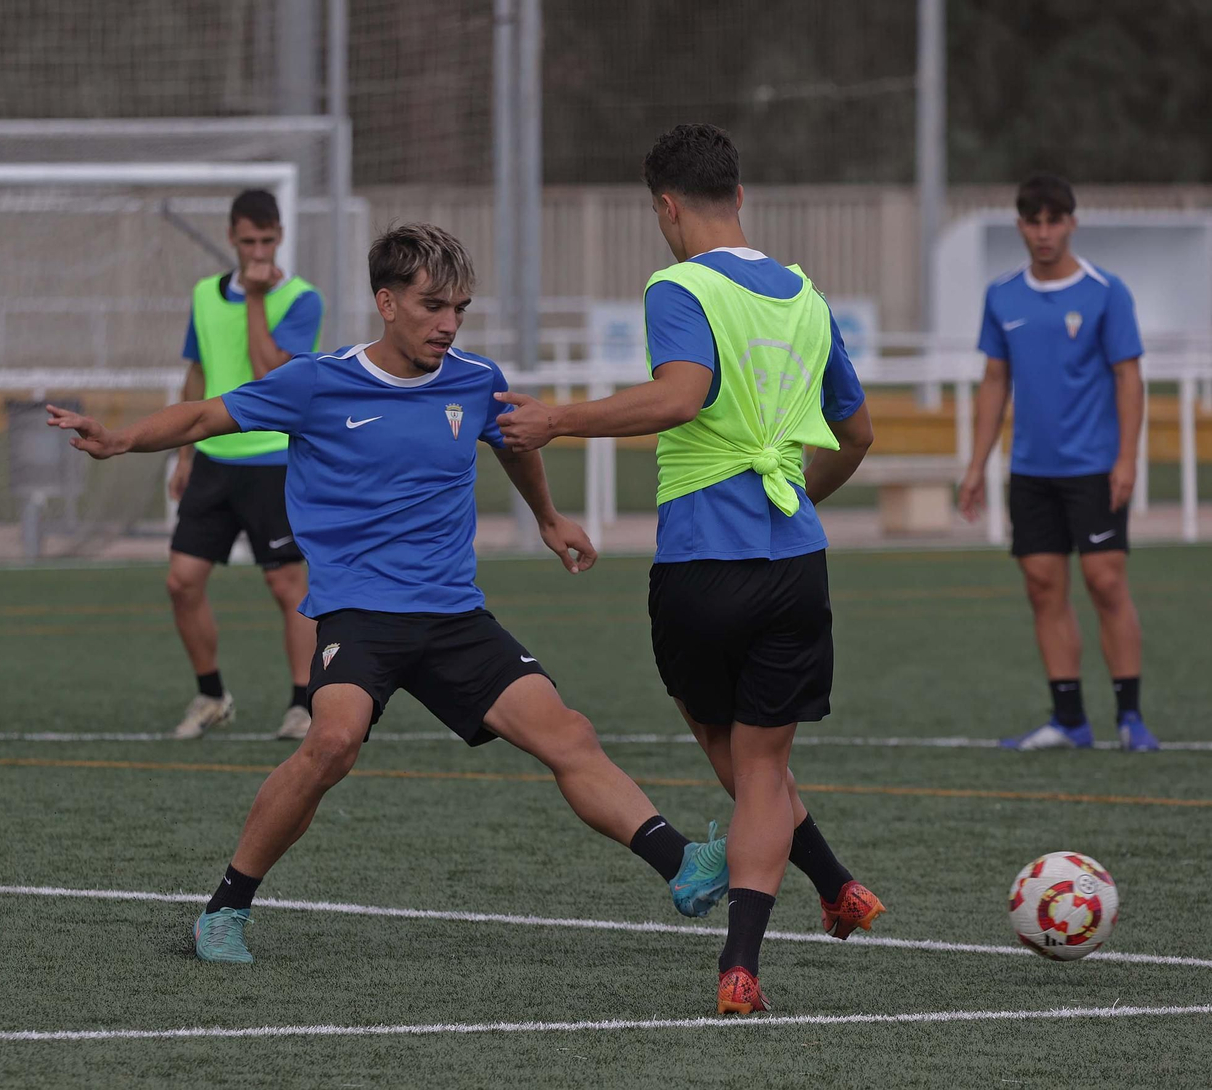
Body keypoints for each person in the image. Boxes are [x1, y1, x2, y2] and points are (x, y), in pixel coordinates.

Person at [49, 222, 730, 968]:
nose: (448, 324)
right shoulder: (317, 382)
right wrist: (118, 441)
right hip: (358, 613)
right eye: (433, 304)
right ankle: (225, 910)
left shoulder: (473, 379)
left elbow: (512, 442)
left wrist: (547, 517)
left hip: (453, 614)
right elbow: (206, 415)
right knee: (332, 741)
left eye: (460, 309)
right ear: (386, 301)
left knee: (568, 733)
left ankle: (683, 864)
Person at [494, 124, 883, 1015]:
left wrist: (559, 419)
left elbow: (680, 395)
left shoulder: (679, 285)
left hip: (705, 564)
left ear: (666, 207)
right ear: (738, 196)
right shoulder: (806, 297)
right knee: (760, 762)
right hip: (797, 565)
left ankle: (762, 944)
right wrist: (798, 494)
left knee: (733, 758)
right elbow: (856, 434)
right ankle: (812, 901)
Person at [959, 174, 1159, 753]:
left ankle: (1130, 717)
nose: (1043, 232)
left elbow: (1130, 377)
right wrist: (976, 466)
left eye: (1054, 220)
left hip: (1095, 468)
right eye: (1033, 221)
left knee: (1105, 581)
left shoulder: (1106, 292)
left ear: (1072, 222)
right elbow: (995, 382)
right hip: (1031, 473)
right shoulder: (1002, 295)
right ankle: (1069, 719)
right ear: (1020, 226)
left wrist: (1127, 457)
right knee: (1043, 586)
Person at [166, 190, 324, 742]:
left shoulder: (303, 300)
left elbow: (268, 372)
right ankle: (212, 695)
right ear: (231, 238)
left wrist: (256, 299)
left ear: (280, 237)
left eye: (267, 240)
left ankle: (302, 704)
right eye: (248, 240)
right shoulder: (204, 296)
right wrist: (184, 454)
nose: (258, 250)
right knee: (181, 582)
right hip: (212, 459)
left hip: (273, 462)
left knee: (287, 586)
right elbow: (197, 372)